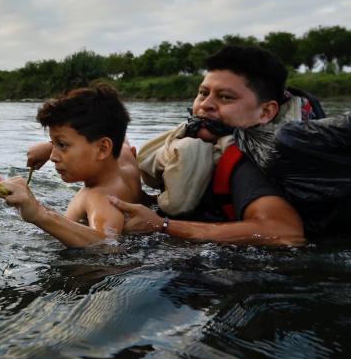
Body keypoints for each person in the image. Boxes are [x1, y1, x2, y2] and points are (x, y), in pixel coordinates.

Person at [109, 45, 305, 246]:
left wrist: (163, 226)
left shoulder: (249, 163)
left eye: (225, 97)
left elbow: (285, 232)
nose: (205, 105)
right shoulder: (208, 148)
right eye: (203, 93)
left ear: (265, 112)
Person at [0, 84, 142, 247]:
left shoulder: (101, 198)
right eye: (53, 144)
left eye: (62, 145)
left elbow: (107, 244)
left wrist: (39, 213)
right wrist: (52, 144)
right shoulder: (126, 158)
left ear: (103, 148)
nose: (52, 157)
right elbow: (117, 132)